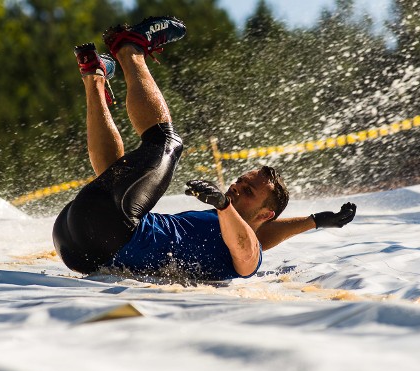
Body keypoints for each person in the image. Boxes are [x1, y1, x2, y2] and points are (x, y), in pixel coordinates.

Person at [52, 16, 357, 281]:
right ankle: (94, 77)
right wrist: (317, 220)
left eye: (248, 191)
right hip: (77, 242)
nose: (237, 187)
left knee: (166, 142)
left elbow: (248, 247)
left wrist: (224, 206)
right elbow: (264, 233)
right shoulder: (246, 227)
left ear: (265, 214)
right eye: (241, 181)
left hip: (105, 234)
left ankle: (129, 48)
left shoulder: (245, 254)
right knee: (114, 175)